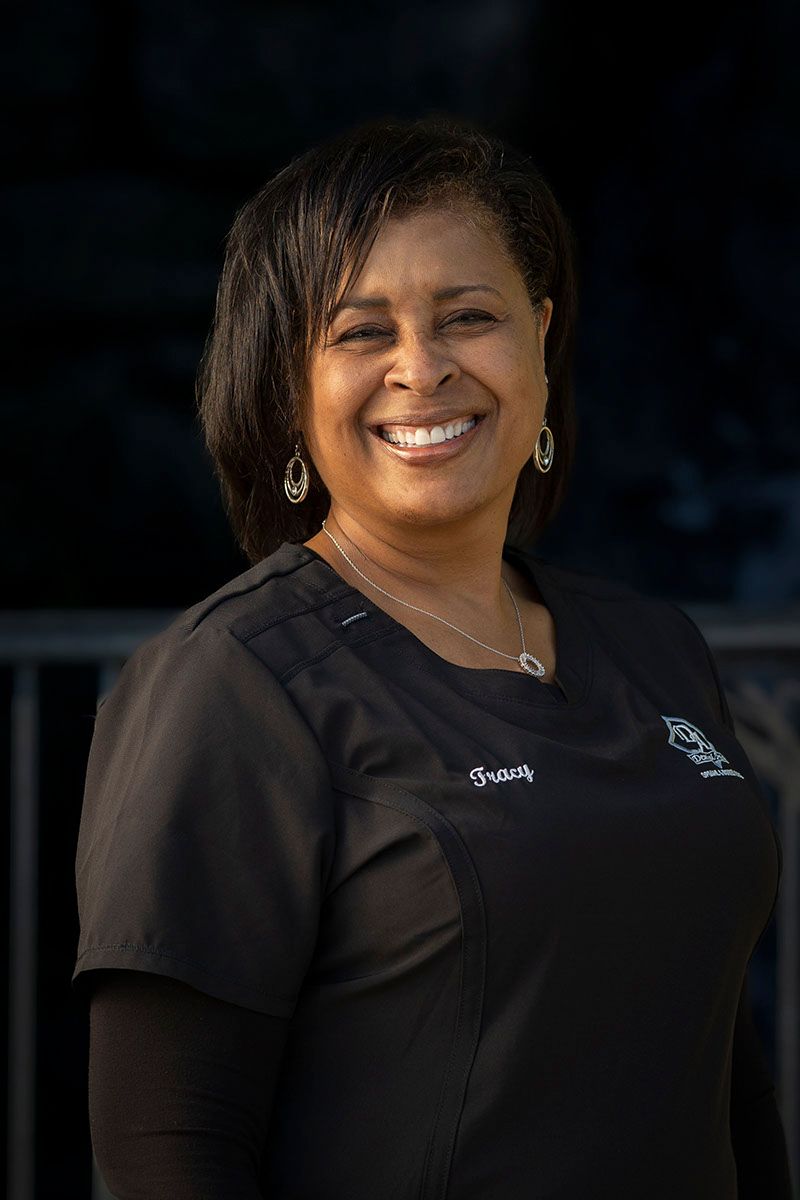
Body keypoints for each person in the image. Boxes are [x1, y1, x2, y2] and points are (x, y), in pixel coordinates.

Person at [72, 116, 793, 1199]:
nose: (423, 369)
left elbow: (714, 1063)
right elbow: (167, 1145)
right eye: (361, 333)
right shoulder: (233, 681)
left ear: (540, 338)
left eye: (468, 316)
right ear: (288, 384)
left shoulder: (652, 648)